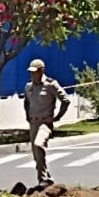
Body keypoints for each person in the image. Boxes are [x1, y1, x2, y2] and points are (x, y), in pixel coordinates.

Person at [23, 59, 69, 187]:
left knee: (39, 144)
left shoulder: (50, 84)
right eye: (31, 72)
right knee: (36, 154)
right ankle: (47, 179)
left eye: (35, 72)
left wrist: (58, 117)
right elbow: (26, 102)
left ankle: (42, 179)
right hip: (33, 123)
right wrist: (27, 115)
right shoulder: (28, 87)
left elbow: (65, 100)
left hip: (45, 123)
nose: (32, 75)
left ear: (41, 70)